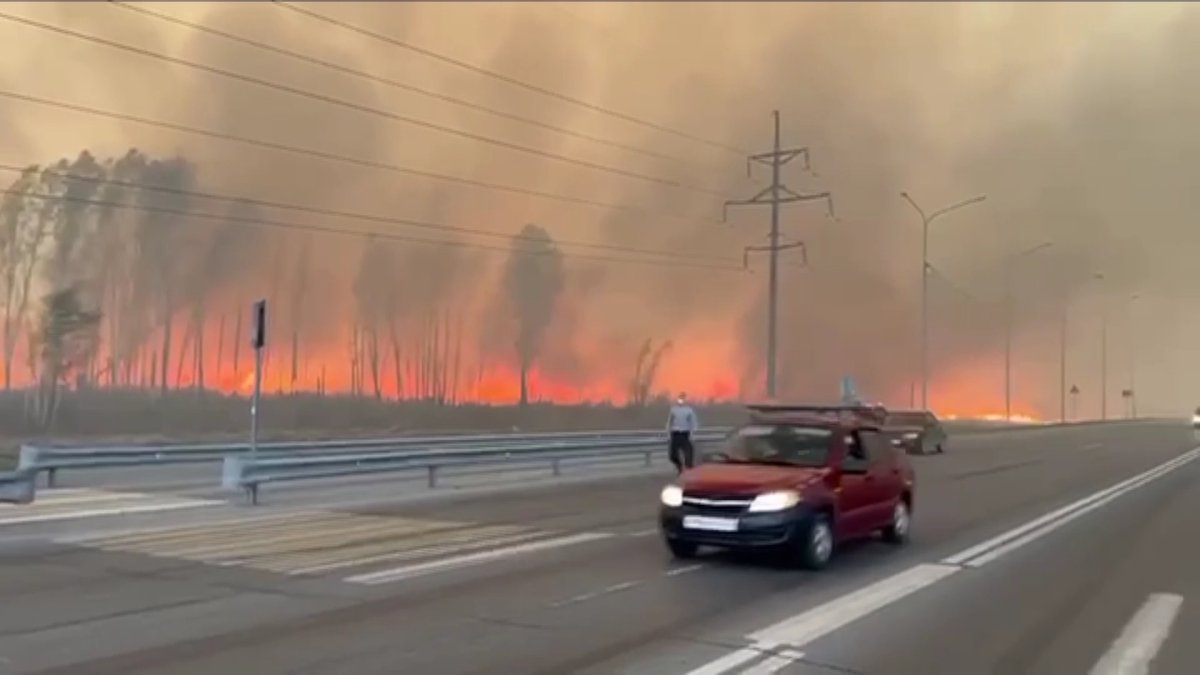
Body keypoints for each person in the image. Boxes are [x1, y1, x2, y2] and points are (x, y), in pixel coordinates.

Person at [666, 392, 698, 473]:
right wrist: (668, 434)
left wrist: (692, 434)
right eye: (680, 399)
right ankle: (679, 466)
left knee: (689, 452)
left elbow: (693, 423)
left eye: (682, 399)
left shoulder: (689, 410)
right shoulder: (673, 410)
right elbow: (669, 422)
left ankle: (688, 468)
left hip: (685, 434)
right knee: (672, 456)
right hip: (675, 434)